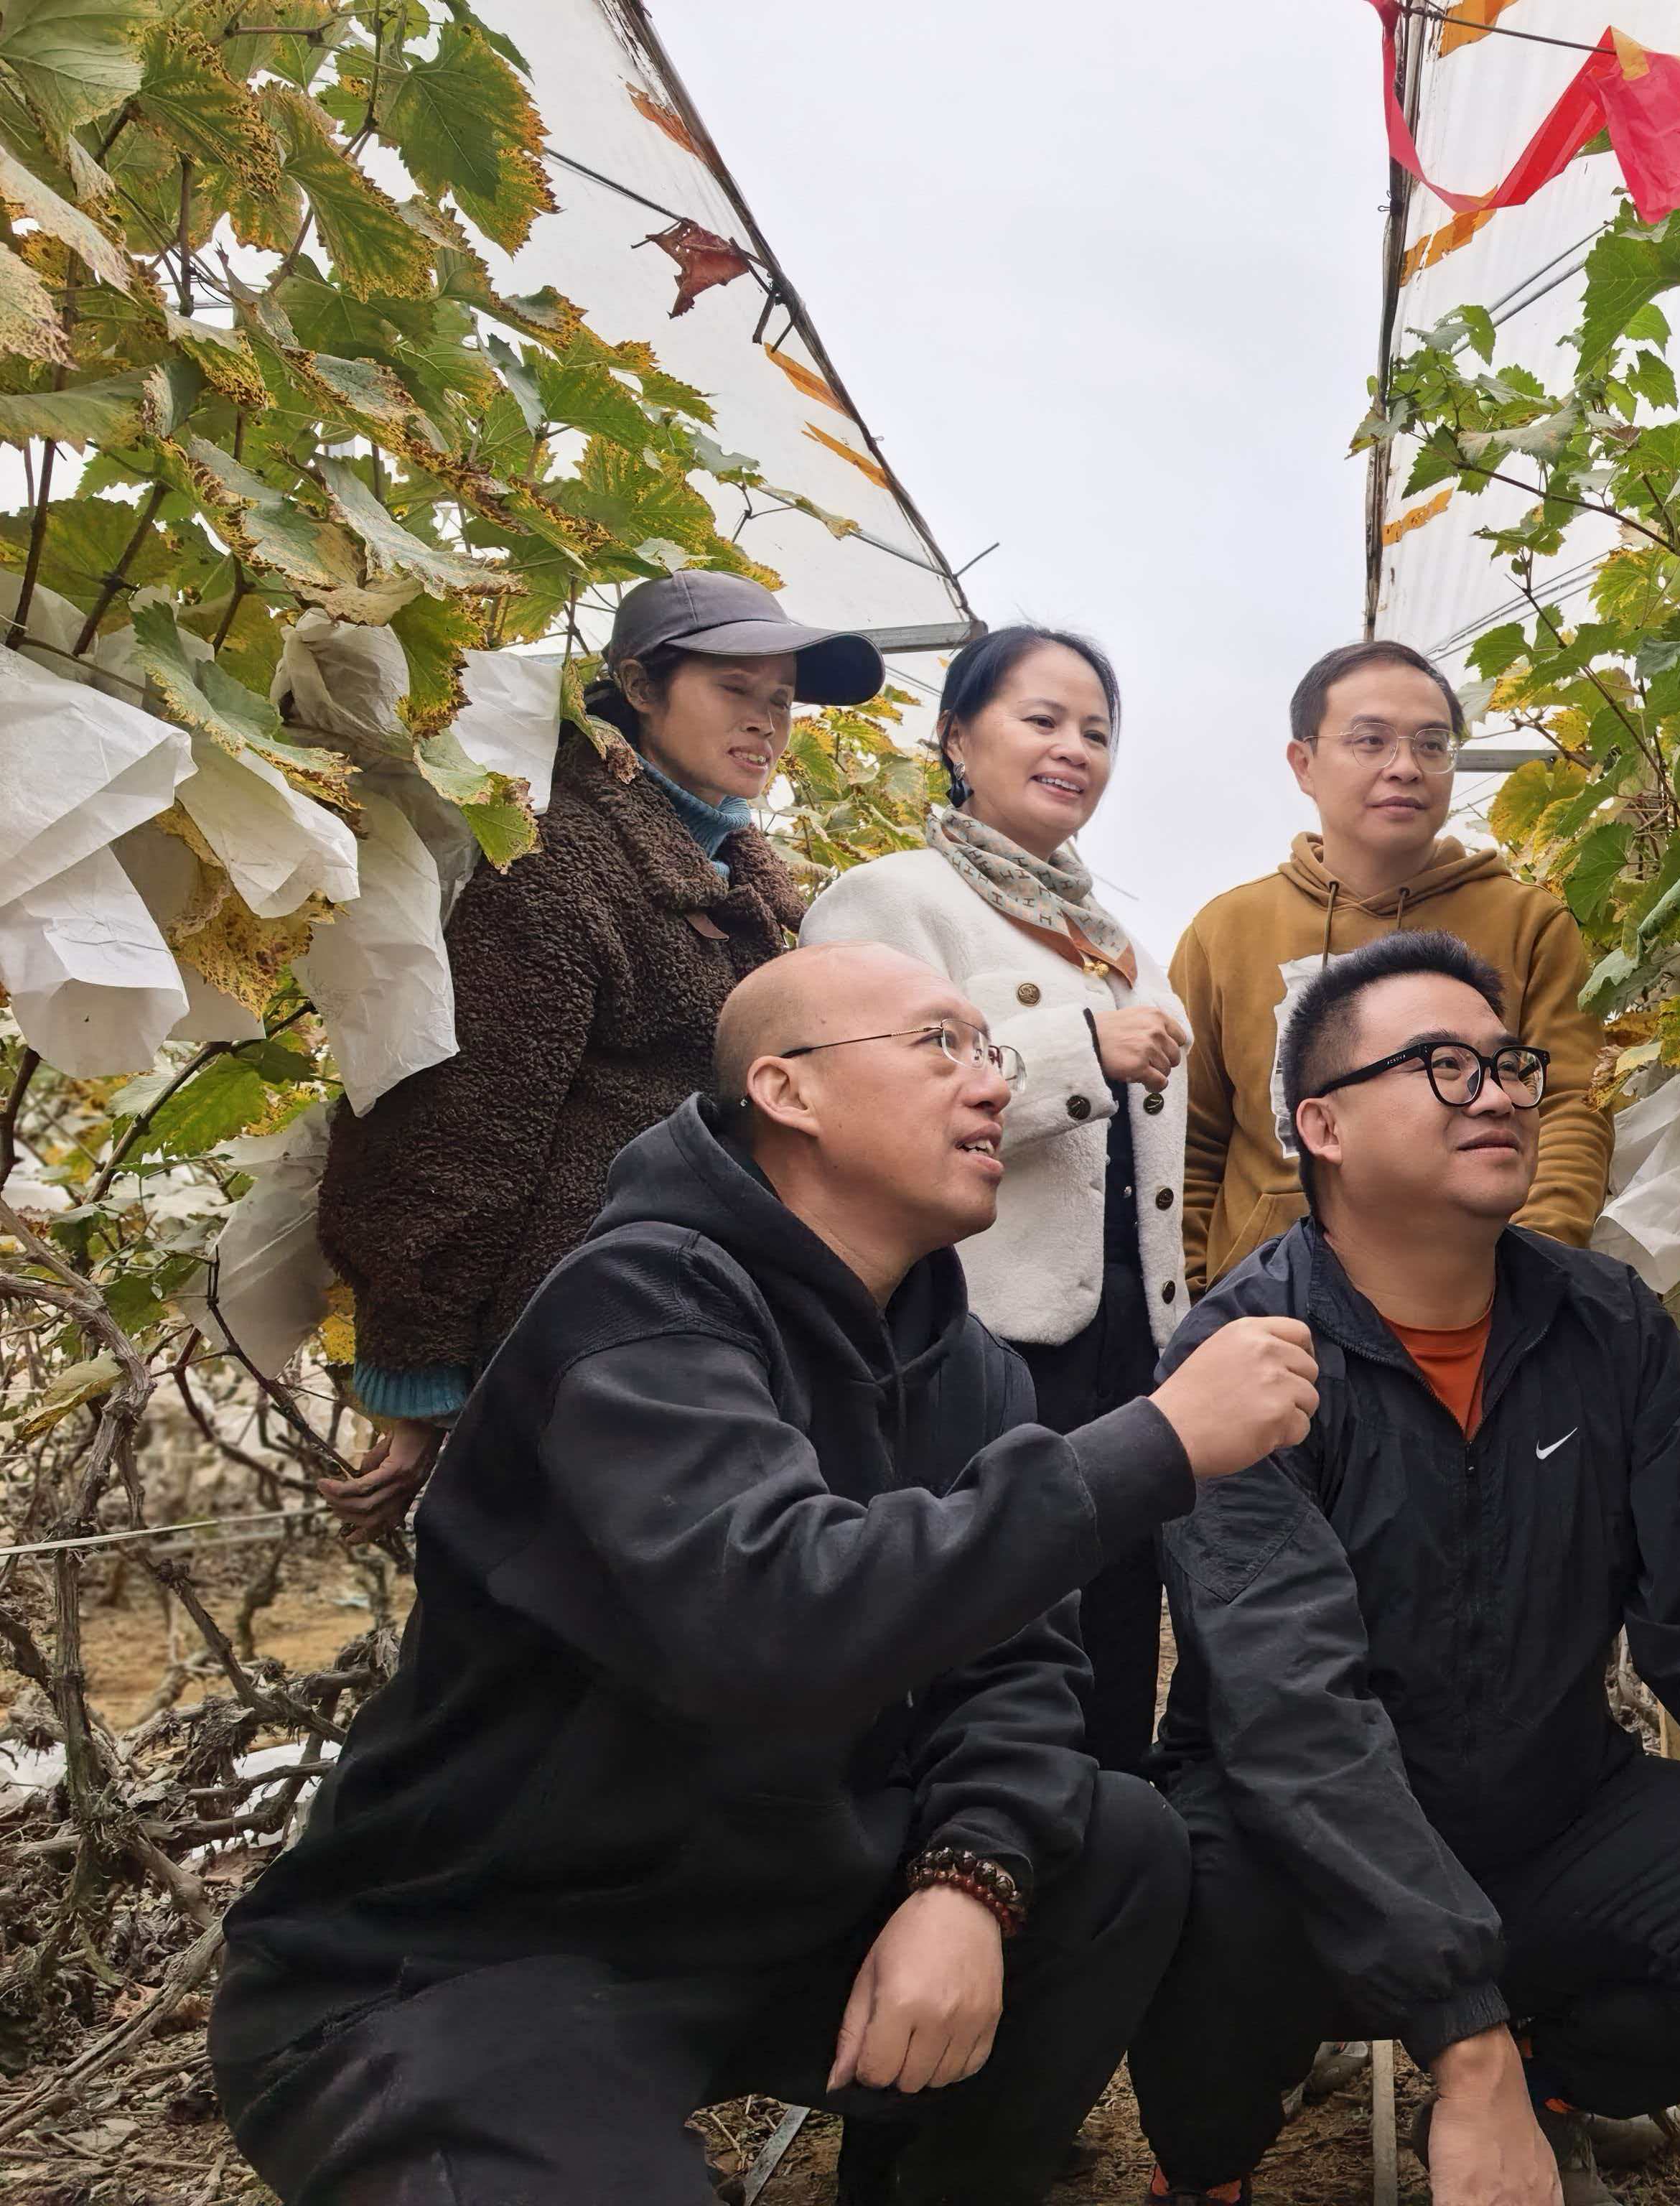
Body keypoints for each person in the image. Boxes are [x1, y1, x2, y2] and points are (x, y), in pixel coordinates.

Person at [212, 941, 1320, 2206]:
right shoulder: (637, 1304)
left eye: (989, 1051)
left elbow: (1017, 1670)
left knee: (1118, 1846)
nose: (991, 1084)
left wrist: (969, 1878)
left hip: (766, 1915)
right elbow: (772, 1617)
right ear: (788, 1091)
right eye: (939, 1043)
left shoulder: (971, 1369)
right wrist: (1155, 1443)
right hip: (477, 1954)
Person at [1131, 931, 1680, 2206]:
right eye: (1442, 1067)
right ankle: (1211, 2169)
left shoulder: (1606, 1327)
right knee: (1188, 1881)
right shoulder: (1242, 1358)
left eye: (1510, 1065)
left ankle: (1551, 2090)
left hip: (1541, 1812)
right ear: (1321, 1126)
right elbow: (1294, 1712)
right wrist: (1467, 2041)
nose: (1500, 1094)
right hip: (1300, 1847)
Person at [313, 569, 886, 1541]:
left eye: (782, 700)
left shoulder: (735, 875)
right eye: (733, 689)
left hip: (696, 1324)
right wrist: (417, 1379)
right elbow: (459, 1127)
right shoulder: (558, 869)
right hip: (579, 1336)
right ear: (640, 687)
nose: (765, 721)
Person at [800, 626, 1190, 1776]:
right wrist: (1082, 1051)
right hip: (974, 1342)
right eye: (1042, 720)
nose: (1074, 749)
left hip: (1125, 1347)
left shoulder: (1122, 947)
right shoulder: (890, 901)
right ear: (958, 738)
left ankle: (1093, 1846)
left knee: (1110, 1633)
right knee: (983, 1628)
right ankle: (966, 1850)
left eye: (1097, 732)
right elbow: (861, 1102)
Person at [1169, 641, 1611, 1293]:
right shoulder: (1226, 931)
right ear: (1304, 764)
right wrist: (1196, 1299)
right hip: (1266, 1308)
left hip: (1474, 1302)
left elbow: (1569, 1104)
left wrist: (1537, 1265)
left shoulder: (1530, 924)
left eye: (1432, 745)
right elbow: (1188, 1141)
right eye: (1370, 741)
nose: (1405, 767)